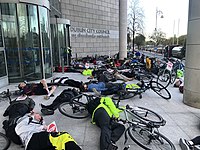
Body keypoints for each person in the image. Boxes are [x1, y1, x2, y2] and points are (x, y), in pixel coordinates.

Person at [15, 112, 82, 150]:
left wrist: (44, 127)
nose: (40, 117)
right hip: (33, 139)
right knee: (64, 136)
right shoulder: (27, 119)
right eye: (38, 115)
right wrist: (40, 126)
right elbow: (18, 129)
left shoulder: (40, 123)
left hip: (37, 143)